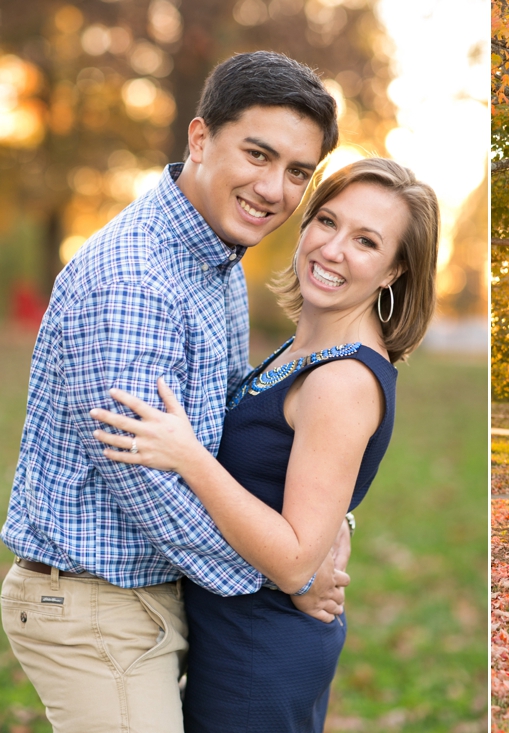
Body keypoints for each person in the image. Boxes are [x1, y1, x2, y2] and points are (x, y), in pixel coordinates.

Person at [0, 51, 348, 732]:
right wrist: (287, 575)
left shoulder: (216, 262)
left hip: (157, 595)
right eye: (258, 153)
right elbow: (149, 488)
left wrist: (323, 523)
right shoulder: (137, 280)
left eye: (298, 172)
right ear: (199, 138)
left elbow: (225, 430)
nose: (275, 188)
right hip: (93, 607)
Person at [89, 158, 440, 731]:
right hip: (229, 630)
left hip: (259, 649)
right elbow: (298, 490)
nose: (331, 249)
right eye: (327, 221)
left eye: (366, 241)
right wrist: (339, 525)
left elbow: (299, 559)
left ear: (393, 271)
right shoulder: (303, 353)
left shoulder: (341, 380)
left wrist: (190, 458)